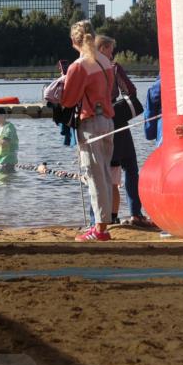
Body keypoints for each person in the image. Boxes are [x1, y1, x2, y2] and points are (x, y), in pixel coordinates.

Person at [61, 20, 116, 242]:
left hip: (91, 123)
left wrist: (61, 82)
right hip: (108, 122)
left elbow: (68, 100)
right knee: (104, 173)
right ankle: (103, 224)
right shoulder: (105, 61)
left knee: (95, 176)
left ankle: (100, 229)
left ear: (74, 40)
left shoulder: (79, 65)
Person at [96, 35, 150, 227]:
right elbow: (131, 91)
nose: (112, 54)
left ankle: (107, 216)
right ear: (102, 48)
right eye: (110, 49)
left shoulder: (88, 68)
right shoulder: (114, 68)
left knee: (106, 171)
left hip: (98, 123)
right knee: (130, 168)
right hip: (118, 123)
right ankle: (135, 213)